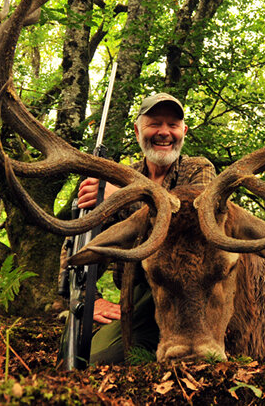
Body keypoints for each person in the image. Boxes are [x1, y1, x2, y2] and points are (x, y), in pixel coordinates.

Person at [63, 92, 216, 364]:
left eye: (173, 125)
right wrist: (90, 298)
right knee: (82, 351)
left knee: (102, 359)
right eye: (155, 123)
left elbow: (188, 227)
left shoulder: (198, 169)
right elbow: (81, 245)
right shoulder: (115, 177)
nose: (164, 132)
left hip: (186, 291)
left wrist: (124, 196)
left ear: (184, 131)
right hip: (138, 295)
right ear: (137, 131)